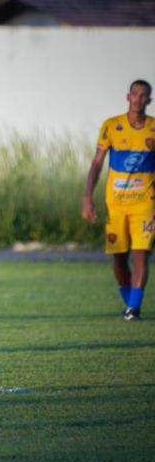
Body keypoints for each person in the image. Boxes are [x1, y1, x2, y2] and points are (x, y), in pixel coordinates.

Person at [82, 79, 154, 321]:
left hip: (145, 202)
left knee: (141, 252)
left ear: (149, 100)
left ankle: (133, 309)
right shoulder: (111, 126)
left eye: (144, 95)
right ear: (128, 97)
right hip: (116, 204)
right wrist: (87, 198)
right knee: (119, 257)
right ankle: (130, 304)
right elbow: (97, 163)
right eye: (135, 93)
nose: (138, 98)